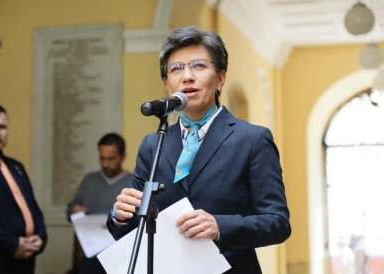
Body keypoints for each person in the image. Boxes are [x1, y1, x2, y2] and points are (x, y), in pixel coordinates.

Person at [107, 26, 291, 273]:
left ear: (220, 79)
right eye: (176, 69)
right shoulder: (153, 144)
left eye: (199, 66)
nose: (187, 76)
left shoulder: (253, 139)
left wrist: (220, 227)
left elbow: (277, 223)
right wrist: (120, 215)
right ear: (167, 85)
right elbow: (132, 229)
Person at [0, 103, 47, 274]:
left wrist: (40, 238)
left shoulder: (16, 167)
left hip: (24, 262)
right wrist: (13, 244)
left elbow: (33, 209)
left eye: (2, 127)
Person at [66, 132, 132, 274]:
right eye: (102, 158)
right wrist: (73, 210)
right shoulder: (89, 180)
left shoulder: (132, 183)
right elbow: (69, 211)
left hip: (121, 258)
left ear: (123, 157)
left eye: (111, 159)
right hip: (90, 259)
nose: (105, 164)